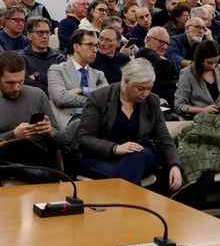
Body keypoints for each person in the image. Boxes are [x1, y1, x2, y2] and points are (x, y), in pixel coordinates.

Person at [76, 58, 181, 190]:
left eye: (149, 88)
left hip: (139, 156)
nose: (145, 93)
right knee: (128, 173)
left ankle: (114, 199)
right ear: (125, 81)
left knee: (140, 154)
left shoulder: (152, 100)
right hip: (102, 156)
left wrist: (174, 165)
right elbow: (84, 138)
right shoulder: (99, 97)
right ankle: (124, 198)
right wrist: (115, 148)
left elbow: (164, 139)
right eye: (140, 88)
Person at [0, 51, 64, 174]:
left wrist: (50, 132)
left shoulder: (37, 94)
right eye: (10, 83)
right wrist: (12, 135)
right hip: (3, 163)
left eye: (21, 81)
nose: (16, 88)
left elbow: (61, 140)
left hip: (38, 160)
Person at [48, 29, 108, 146]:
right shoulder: (57, 70)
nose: (95, 50)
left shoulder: (99, 75)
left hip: (95, 120)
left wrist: (82, 90)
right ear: (76, 47)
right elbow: (61, 98)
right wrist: (94, 100)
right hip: (70, 122)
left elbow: (106, 100)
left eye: (96, 46)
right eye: (90, 45)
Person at [174, 40, 220, 122]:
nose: (213, 66)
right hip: (201, 118)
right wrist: (203, 110)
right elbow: (179, 106)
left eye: (216, 62)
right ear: (200, 60)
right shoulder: (187, 74)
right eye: (209, 63)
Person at [20, 17, 67, 96]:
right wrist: (52, 87)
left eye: (47, 32)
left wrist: (38, 76)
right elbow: (24, 83)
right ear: (29, 35)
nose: (45, 36)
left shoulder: (59, 58)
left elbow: (64, 82)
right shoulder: (21, 58)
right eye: (40, 32)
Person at [137, 27, 180, 107]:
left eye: (167, 44)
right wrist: (175, 65)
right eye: (161, 42)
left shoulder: (158, 55)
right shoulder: (144, 53)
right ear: (148, 39)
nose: (164, 47)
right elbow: (165, 65)